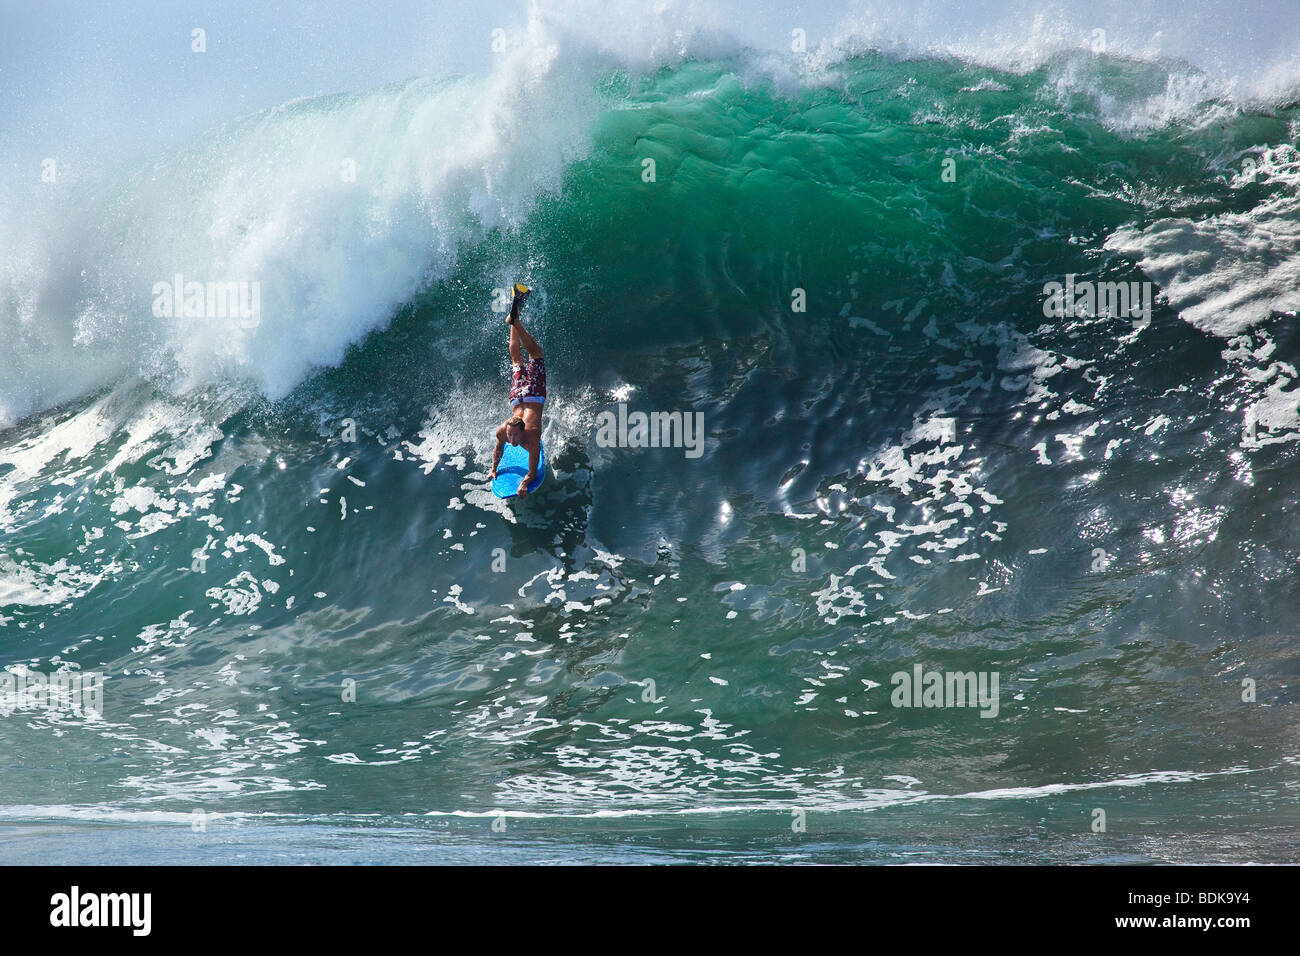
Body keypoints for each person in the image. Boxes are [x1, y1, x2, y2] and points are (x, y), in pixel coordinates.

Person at [488, 283, 545, 496]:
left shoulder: (532, 439)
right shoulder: (503, 431)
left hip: (532, 395)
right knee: (517, 358)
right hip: (518, 397)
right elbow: (499, 447)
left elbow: (532, 472)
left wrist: (524, 484)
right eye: (510, 435)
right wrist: (493, 469)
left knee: (534, 355)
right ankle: (515, 316)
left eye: (513, 436)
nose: (511, 440)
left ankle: (515, 319)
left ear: (523, 431)